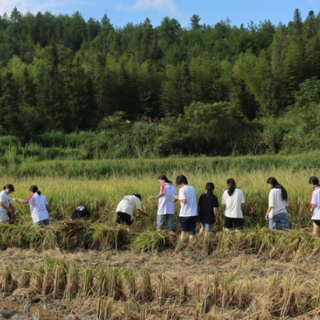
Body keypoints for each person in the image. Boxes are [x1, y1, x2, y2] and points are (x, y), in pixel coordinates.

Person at [173, 175, 198, 241]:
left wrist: (176, 197)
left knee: (183, 231)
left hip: (185, 214)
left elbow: (184, 200)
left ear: (180, 183)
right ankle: (191, 247)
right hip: (194, 213)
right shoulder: (193, 188)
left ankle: (181, 245)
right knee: (192, 232)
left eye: (178, 185)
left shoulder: (182, 189)